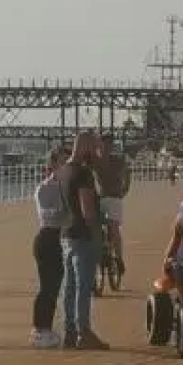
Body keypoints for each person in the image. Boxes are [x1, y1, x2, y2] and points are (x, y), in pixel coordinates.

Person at [58, 132, 108, 350]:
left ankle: (69, 331)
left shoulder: (62, 171)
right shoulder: (83, 174)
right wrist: (98, 232)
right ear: (86, 147)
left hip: (67, 234)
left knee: (68, 286)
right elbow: (87, 209)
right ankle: (84, 332)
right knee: (83, 286)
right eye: (95, 148)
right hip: (83, 236)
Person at [29, 148, 68, 349]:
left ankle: (48, 327)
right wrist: (65, 207)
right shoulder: (44, 188)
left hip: (63, 238)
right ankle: (39, 329)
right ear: (52, 164)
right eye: (61, 162)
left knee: (56, 286)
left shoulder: (69, 185)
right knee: (47, 285)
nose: (65, 166)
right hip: (47, 238)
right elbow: (47, 213)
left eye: (67, 162)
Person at [93, 134, 132, 280]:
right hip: (100, 199)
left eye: (109, 145)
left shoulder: (118, 160)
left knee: (114, 228)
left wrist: (125, 189)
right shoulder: (94, 161)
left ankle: (119, 259)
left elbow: (127, 173)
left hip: (115, 197)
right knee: (93, 227)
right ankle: (98, 253)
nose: (106, 148)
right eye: (104, 145)